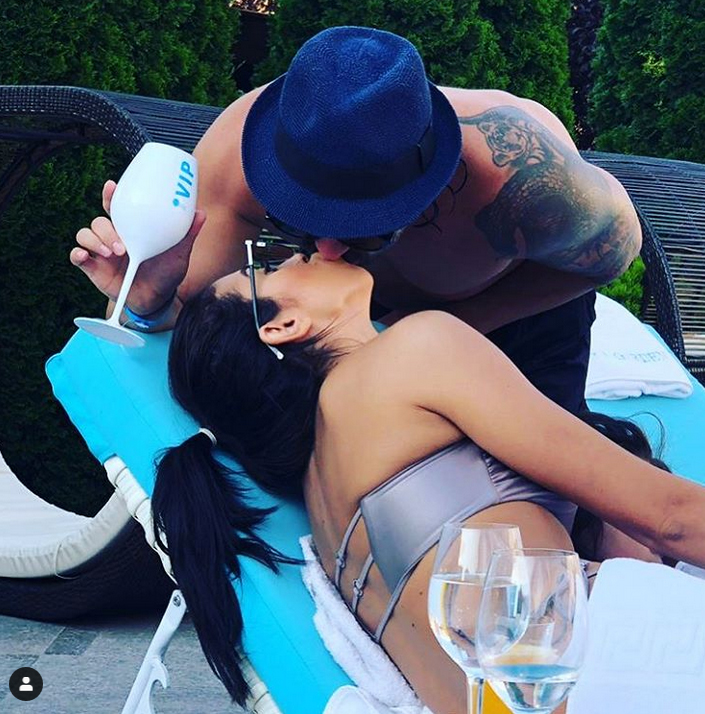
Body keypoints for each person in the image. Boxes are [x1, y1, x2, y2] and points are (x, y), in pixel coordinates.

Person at [150, 247, 705, 714]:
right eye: (267, 267)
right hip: (612, 659)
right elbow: (671, 518)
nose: (300, 253)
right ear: (282, 326)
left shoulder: (325, 486)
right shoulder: (411, 353)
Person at [71, 26, 643, 416]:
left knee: (541, 501)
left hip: (509, 323)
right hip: (357, 335)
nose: (327, 250)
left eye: (368, 227)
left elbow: (616, 253)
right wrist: (149, 299)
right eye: (297, 220)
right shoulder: (239, 157)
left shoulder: (524, 181)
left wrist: (445, 327)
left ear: (436, 180)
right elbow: (186, 318)